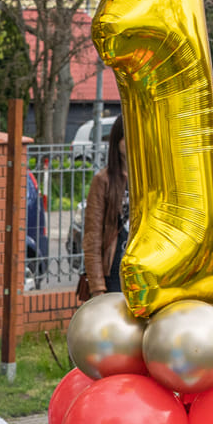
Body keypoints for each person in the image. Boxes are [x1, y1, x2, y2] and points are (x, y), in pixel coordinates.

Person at [79, 117, 128, 299]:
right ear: (117, 141)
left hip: (145, 271)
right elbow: (92, 236)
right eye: (126, 136)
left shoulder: (150, 180)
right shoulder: (103, 181)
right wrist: (98, 287)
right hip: (114, 273)